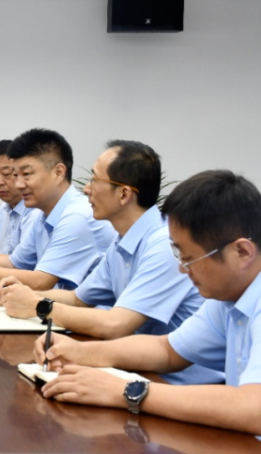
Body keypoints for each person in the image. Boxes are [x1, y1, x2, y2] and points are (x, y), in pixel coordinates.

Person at [37, 171, 261, 432]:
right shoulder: (228, 296)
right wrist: (79, 352)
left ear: (242, 252)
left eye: (190, 259)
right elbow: (168, 350)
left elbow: (254, 408)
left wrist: (127, 391)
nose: (182, 269)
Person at [0, 141, 221, 384]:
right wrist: (23, 294)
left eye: (94, 180)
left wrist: (38, 305)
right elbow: (78, 299)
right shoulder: (123, 240)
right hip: (137, 368)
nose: (86, 189)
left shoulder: (163, 245)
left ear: (123, 194)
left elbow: (116, 324)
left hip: (175, 382)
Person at [0, 128, 114, 290]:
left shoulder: (76, 216)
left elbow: (41, 281)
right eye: (16, 175)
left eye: (26, 174)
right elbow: (14, 263)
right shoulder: (43, 214)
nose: (19, 184)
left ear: (58, 172)